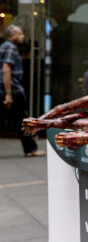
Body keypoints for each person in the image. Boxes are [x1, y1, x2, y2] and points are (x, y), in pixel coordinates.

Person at [0, 25, 45, 157]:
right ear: (11, 35)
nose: (22, 36)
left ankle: (30, 148)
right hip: (12, 90)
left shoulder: (4, 46)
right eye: (19, 34)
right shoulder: (10, 47)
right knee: (23, 120)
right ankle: (31, 149)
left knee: (20, 119)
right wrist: (8, 94)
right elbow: (6, 70)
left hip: (6, 90)